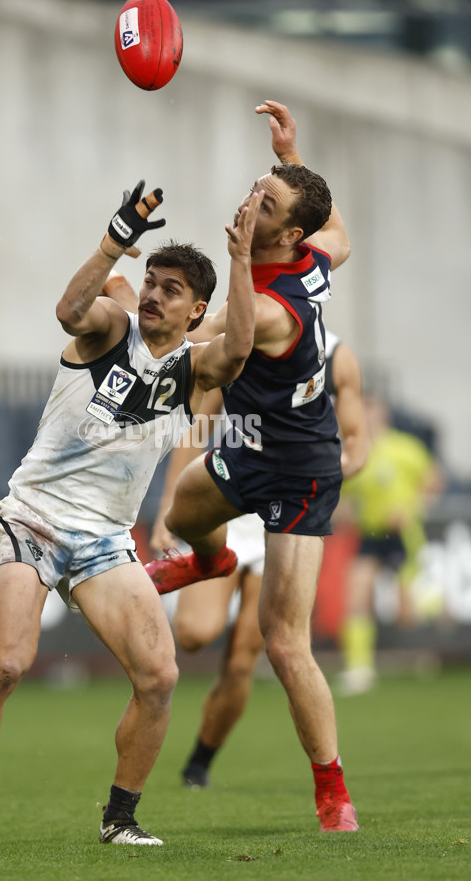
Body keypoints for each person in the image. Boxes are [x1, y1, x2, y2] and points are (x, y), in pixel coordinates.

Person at [0, 178, 264, 850]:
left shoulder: (193, 370)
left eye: (172, 289)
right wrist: (116, 241)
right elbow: (72, 308)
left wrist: (244, 261)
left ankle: (120, 819)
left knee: (159, 676)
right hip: (34, 519)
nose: (154, 293)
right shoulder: (111, 328)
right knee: (8, 664)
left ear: (196, 311)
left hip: (104, 540)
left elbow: (241, 350)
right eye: (151, 281)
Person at [144, 100, 361, 832]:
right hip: (252, 446)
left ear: (283, 233)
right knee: (182, 510)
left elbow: (225, 346)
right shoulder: (313, 251)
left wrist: (229, 266)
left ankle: (332, 791)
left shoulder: (271, 306)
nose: (249, 200)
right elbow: (341, 233)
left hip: (302, 468)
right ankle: (209, 563)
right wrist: (291, 154)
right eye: (256, 186)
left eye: (265, 201)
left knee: (283, 640)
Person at [147, 331, 367, 789]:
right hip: (233, 495)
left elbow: (356, 445)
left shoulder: (336, 358)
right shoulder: (236, 345)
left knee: (250, 653)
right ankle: (215, 562)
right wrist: (168, 508)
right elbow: (198, 431)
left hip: (288, 506)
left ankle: (199, 762)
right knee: (192, 634)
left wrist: (315, 472)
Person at [338, 393, 443, 695]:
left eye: (372, 410)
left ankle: (437, 607)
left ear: (382, 414)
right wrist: (347, 511)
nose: (367, 416)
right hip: (371, 535)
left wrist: (412, 507)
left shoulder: (405, 448)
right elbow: (344, 496)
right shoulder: (355, 454)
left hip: (403, 534)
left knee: (408, 613)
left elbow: (434, 481)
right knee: (356, 592)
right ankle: (359, 670)